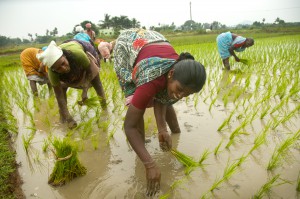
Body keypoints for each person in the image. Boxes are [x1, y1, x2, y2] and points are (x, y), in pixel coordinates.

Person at [113, 28, 206, 196]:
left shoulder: (180, 77)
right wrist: (150, 164)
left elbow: (164, 99)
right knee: (136, 100)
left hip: (153, 42)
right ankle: (140, 151)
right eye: (180, 90)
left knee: (167, 94)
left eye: (188, 94)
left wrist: (163, 129)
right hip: (128, 45)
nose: (181, 95)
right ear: (170, 74)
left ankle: (174, 132)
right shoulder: (151, 79)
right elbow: (129, 126)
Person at [37, 40, 106, 129]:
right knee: (62, 87)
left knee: (97, 83)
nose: (63, 68)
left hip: (81, 48)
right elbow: (59, 97)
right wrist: (69, 119)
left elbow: (90, 71)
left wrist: (85, 91)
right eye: (58, 68)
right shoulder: (52, 73)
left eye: (63, 63)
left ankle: (105, 108)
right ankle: (64, 117)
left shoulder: (78, 54)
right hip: (66, 49)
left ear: (65, 56)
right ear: (53, 70)